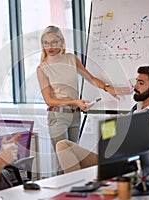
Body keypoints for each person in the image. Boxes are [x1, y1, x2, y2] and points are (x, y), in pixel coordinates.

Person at [56, 66, 149, 173]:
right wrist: (114, 124)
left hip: (129, 167)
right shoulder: (138, 107)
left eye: (141, 83)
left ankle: (79, 185)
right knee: (63, 145)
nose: (135, 87)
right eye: (136, 81)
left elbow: (148, 152)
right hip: (114, 160)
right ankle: (79, 184)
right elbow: (109, 138)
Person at [36, 25, 131, 156]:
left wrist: (108, 88)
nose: (50, 47)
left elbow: (90, 78)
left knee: (75, 156)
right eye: (45, 43)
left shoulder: (71, 58)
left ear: (62, 42)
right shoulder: (42, 68)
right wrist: (76, 102)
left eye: (54, 42)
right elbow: (49, 100)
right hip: (58, 117)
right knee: (64, 160)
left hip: (75, 115)